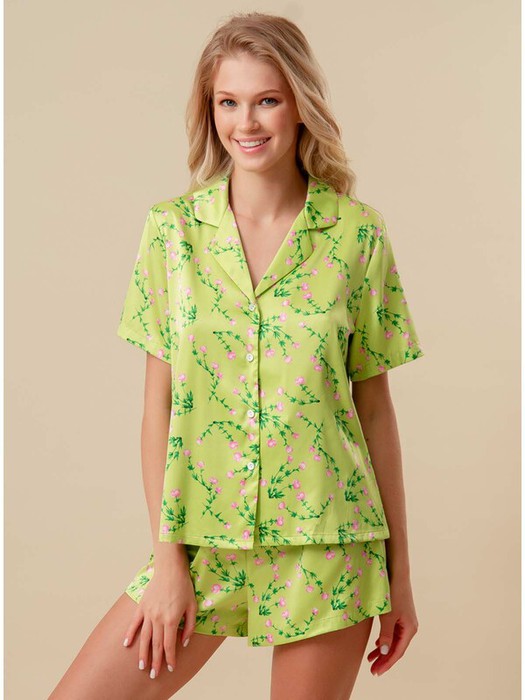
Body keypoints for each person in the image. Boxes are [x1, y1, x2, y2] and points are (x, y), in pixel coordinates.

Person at [48, 10, 424, 700]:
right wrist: (168, 561)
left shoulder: (357, 235)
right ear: (210, 110)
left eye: (266, 100)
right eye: (228, 102)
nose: (245, 123)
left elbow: (374, 412)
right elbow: (158, 406)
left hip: (327, 544)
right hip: (202, 539)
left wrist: (400, 579)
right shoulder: (171, 233)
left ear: (300, 106)